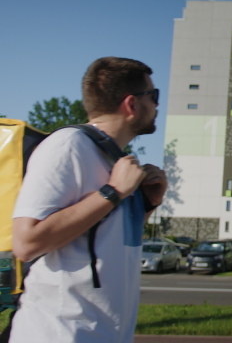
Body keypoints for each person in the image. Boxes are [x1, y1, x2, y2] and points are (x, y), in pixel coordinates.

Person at [9, 57, 166, 343]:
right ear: (131, 104)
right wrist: (112, 192)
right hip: (60, 334)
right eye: (153, 96)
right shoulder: (67, 146)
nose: (157, 105)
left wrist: (147, 205)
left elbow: (109, 241)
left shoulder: (119, 161)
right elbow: (26, 243)